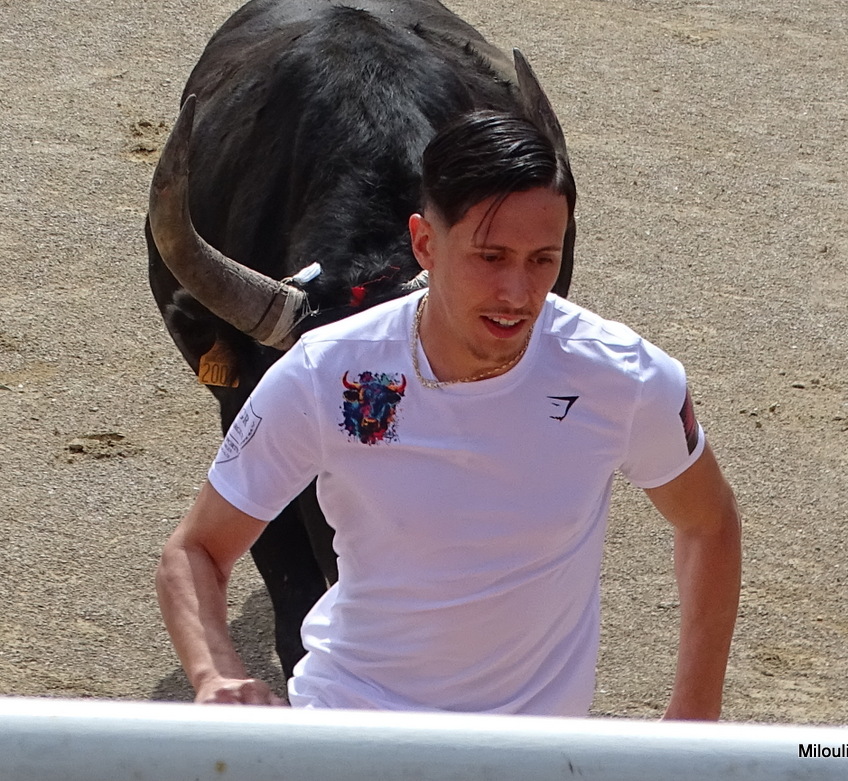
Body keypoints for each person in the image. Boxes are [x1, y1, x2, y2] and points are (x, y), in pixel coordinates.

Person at [156, 109, 741, 718]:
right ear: (425, 243)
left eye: (542, 259)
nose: (518, 294)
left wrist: (694, 719)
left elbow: (710, 523)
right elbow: (196, 550)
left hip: (534, 753)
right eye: (491, 257)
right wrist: (216, 675)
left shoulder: (622, 376)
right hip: (352, 730)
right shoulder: (327, 372)